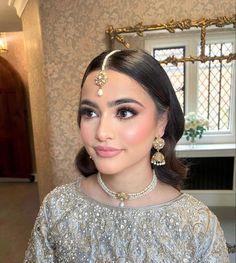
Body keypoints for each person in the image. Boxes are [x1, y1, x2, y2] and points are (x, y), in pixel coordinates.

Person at [24, 49, 229, 262]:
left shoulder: (196, 225)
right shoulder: (57, 208)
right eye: (90, 112)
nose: (102, 132)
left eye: (124, 112)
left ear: (162, 122)